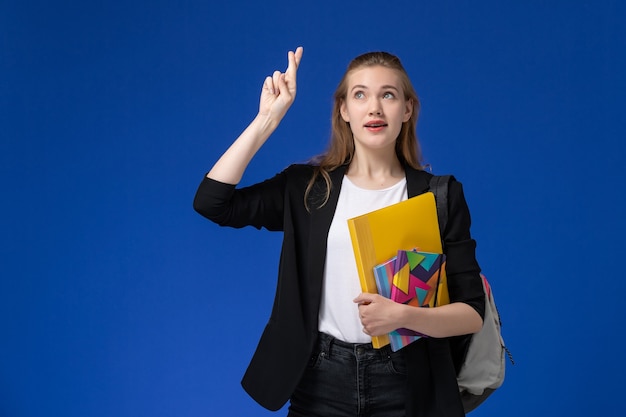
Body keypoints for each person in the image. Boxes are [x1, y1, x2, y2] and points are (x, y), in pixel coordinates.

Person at [193, 47, 485, 417]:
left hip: (409, 380)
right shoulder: (309, 188)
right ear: (344, 111)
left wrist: (402, 317)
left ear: (407, 110)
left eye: (388, 95)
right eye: (360, 94)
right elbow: (212, 202)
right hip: (320, 380)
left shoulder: (438, 195)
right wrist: (266, 120)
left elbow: (472, 312)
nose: (374, 107)